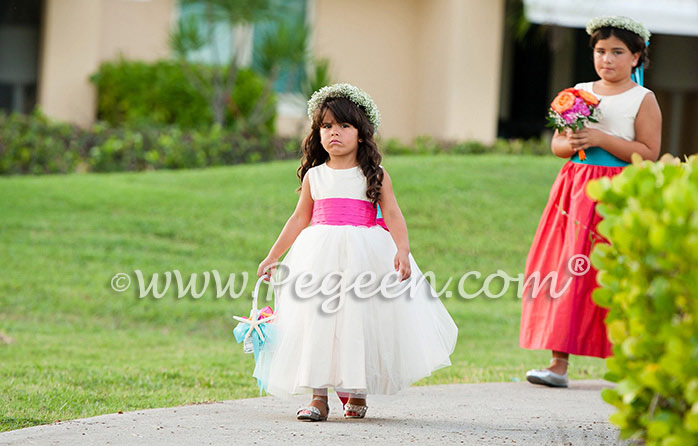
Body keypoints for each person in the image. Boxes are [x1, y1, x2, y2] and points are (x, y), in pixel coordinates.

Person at [255, 83, 458, 420]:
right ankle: (318, 397)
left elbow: (393, 215)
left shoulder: (374, 175)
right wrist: (273, 255)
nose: (334, 133)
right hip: (318, 255)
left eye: (344, 126)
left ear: (362, 134)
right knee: (318, 318)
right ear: (318, 133)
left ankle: (357, 392)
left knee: (359, 319)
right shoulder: (315, 177)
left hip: (364, 256)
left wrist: (403, 251)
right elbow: (299, 218)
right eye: (327, 126)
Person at [520, 16, 662, 387]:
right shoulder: (579, 92)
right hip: (575, 188)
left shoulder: (642, 99)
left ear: (636, 56)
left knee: (615, 269)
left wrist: (600, 138)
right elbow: (557, 145)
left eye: (617, 52)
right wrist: (575, 143)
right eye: (601, 51)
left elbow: (649, 152)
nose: (607, 59)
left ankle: (631, 362)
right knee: (567, 266)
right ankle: (558, 362)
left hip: (618, 191)